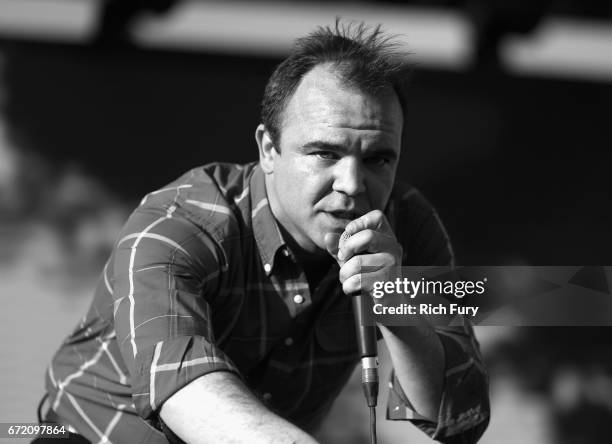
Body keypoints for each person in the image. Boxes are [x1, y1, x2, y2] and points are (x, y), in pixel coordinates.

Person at [37, 21, 489, 444]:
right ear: (268, 149)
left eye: (378, 159)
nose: (352, 185)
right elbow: (185, 391)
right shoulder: (177, 225)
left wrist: (397, 305)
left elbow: (461, 418)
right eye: (324, 153)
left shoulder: (408, 225)